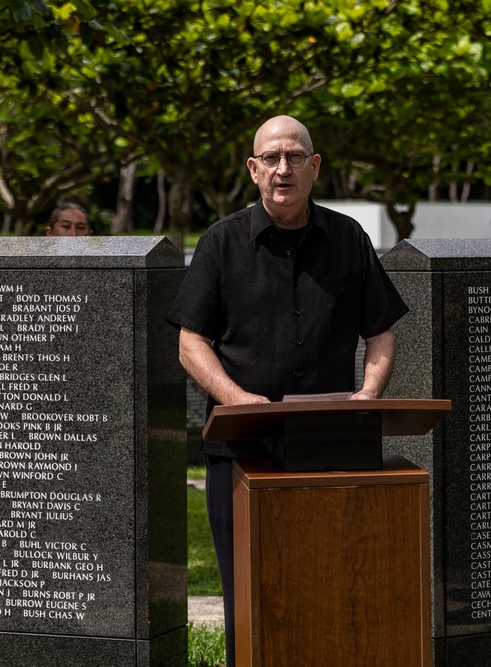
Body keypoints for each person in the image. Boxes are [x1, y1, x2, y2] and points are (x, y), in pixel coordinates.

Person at [166, 115, 408, 665]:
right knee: (249, 599)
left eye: (295, 157)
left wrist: (367, 397)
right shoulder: (221, 243)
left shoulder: (349, 238)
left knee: (331, 589)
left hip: (331, 449)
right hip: (240, 451)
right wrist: (236, 399)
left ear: (314, 166)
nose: (283, 169)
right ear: (253, 170)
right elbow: (190, 342)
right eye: (271, 158)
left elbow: (381, 331)